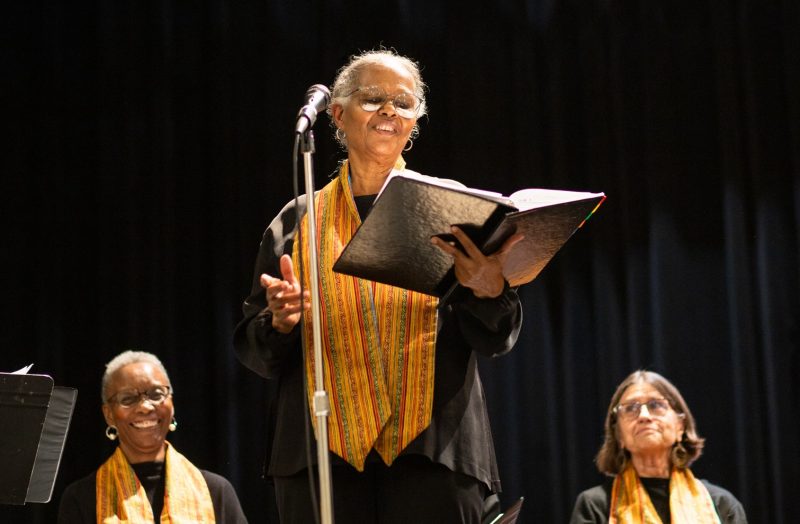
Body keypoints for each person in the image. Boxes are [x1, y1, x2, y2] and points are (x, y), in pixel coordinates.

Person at [233, 49, 525, 523]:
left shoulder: (454, 209)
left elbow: (495, 337)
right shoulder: (294, 223)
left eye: (403, 103)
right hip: (321, 454)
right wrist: (281, 323)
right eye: (373, 99)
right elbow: (255, 350)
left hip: (432, 450)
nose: (390, 110)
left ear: (415, 123)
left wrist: (491, 289)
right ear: (337, 115)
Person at [57, 350, 248, 523]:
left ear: (171, 404)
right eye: (128, 398)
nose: (145, 407)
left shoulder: (216, 490)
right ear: (109, 415)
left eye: (156, 394)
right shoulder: (82, 498)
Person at [569, 370, 747, 523]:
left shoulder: (721, 504)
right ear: (619, 436)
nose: (644, 416)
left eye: (656, 405)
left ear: (680, 427)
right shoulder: (595, 506)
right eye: (630, 408)